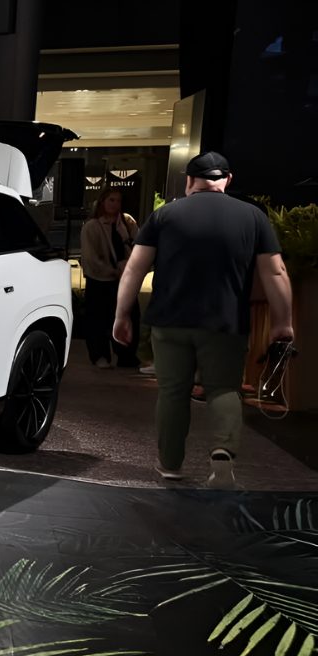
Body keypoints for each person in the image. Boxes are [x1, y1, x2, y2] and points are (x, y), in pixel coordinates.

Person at [113, 152, 295, 485]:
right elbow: (276, 272)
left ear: (189, 181)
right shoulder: (253, 217)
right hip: (226, 323)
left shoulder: (164, 215)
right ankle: (223, 452)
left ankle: (170, 465)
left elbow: (135, 268)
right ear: (227, 179)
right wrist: (283, 323)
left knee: (172, 392)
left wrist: (122, 314)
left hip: (170, 321)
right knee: (224, 389)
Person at [80, 188, 141, 369]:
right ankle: (100, 355)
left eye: (118, 201)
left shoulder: (127, 222)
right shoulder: (92, 226)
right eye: (111, 200)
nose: (115, 205)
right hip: (100, 280)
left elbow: (138, 245)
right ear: (102, 202)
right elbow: (91, 258)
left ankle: (126, 355)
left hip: (124, 280)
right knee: (98, 319)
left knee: (130, 317)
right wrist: (112, 271)